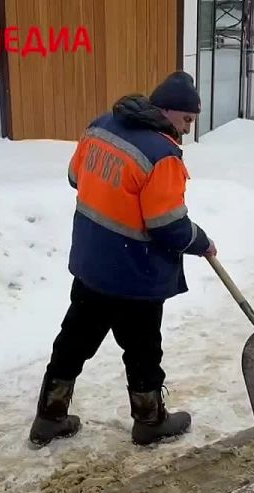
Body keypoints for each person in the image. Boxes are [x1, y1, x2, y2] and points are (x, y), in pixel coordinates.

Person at [28, 71, 216, 448]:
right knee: (143, 349)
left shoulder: (101, 128)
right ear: (165, 111)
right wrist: (202, 242)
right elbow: (169, 226)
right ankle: (150, 421)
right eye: (186, 120)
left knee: (74, 340)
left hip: (93, 264)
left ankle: (49, 416)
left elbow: (74, 176)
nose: (187, 130)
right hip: (135, 275)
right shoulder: (162, 156)